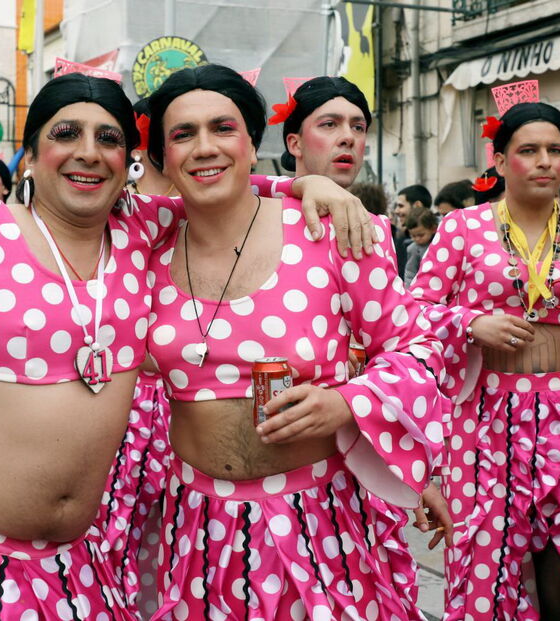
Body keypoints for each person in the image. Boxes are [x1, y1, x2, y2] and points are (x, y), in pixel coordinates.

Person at [0, 70, 376, 620]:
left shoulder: (146, 234)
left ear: (129, 163)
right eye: (66, 133)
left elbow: (219, 181)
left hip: (77, 567)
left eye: (109, 138)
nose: (88, 152)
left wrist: (309, 183)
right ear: (32, 154)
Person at [146, 67, 446, 619]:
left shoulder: (332, 228)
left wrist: (344, 402)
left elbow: (417, 346)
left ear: (252, 142)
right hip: (196, 527)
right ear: (162, 156)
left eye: (224, 128)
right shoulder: (145, 245)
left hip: (317, 524)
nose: (205, 147)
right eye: (183, 134)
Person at [411, 99, 560, 620]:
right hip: (487, 421)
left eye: (555, 150)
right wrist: (469, 323)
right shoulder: (462, 229)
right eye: (528, 150)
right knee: (488, 563)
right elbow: (411, 314)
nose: (544, 161)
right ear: (498, 159)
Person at [393, 184, 432, 277]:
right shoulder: (401, 238)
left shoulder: (438, 240)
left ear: (417, 205)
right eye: (414, 236)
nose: (396, 211)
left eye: (401, 206)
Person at [403, 206, 439, 285]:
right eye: (413, 236)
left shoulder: (439, 242)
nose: (417, 239)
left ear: (433, 229)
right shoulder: (413, 249)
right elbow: (410, 272)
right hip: (423, 286)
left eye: (421, 235)